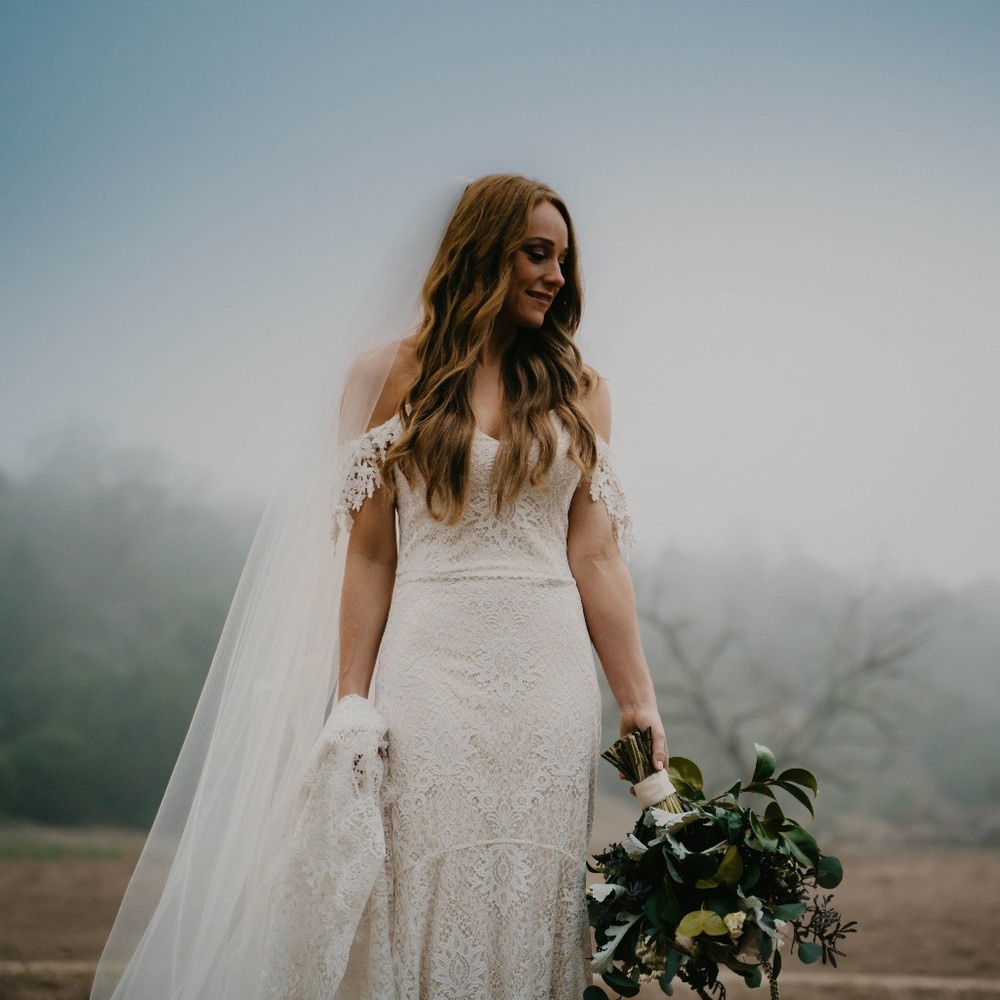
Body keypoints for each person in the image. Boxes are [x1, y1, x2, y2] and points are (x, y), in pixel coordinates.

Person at [90, 174, 666, 1000]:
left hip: (551, 687)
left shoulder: (583, 389)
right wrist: (352, 705)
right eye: (536, 254)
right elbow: (368, 556)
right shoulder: (384, 376)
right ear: (481, 251)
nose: (556, 277)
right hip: (427, 673)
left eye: (563, 260)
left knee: (535, 888)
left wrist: (637, 699)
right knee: (417, 881)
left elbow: (598, 558)